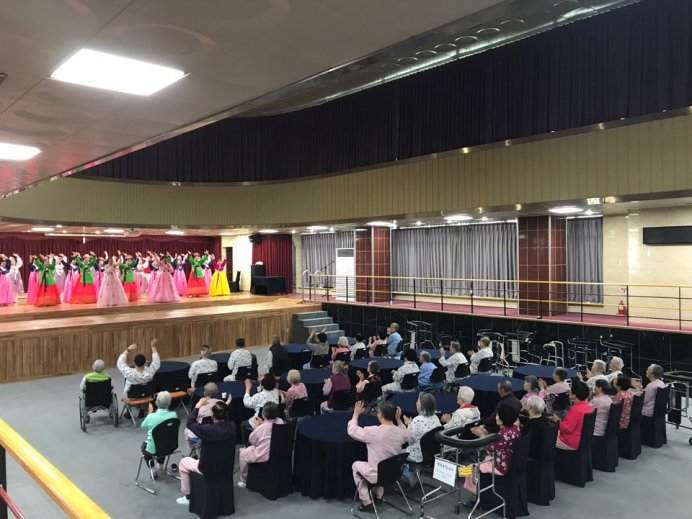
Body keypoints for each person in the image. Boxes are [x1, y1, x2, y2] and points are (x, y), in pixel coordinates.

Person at [349, 401, 411, 512]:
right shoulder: (401, 433)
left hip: (376, 475)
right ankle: (378, 496)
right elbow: (408, 435)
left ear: (380, 415)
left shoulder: (373, 432)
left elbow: (352, 431)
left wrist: (356, 414)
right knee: (384, 463)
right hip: (394, 473)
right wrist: (398, 420)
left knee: (356, 466)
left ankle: (366, 500)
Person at [176, 395, 235, 506]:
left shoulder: (206, 430)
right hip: (226, 464)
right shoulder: (232, 426)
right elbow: (224, 417)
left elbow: (190, 423)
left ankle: (188, 496)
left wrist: (197, 406)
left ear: (212, 414)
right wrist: (225, 405)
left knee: (183, 463)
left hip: (207, 467)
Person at [462, 406, 521, 509]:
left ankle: (474, 496)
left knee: (468, 469)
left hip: (499, 465)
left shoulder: (503, 434)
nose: (496, 417)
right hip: (506, 461)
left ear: (501, 420)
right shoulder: (515, 428)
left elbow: (490, 449)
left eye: (497, 415)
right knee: (470, 467)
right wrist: (485, 433)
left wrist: (482, 436)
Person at [400, 393, 441, 492]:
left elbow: (409, 440)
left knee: (393, 456)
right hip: (431, 453)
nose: (416, 403)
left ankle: (410, 477)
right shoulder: (435, 417)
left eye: (418, 401)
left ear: (422, 405)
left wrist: (408, 425)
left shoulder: (417, 420)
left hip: (418, 454)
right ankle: (415, 475)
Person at [237, 402, 284, 488]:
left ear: (263, 415)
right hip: (278, 451)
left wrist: (257, 426)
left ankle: (244, 480)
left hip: (263, 455)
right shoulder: (280, 421)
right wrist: (261, 424)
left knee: (243, 454)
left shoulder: (261, 428)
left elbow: (252, 441)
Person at [117, 339, 160, 417]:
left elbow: (120, 363)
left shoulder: (129, 373)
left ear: (134, 362)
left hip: (131, 398)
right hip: (146, 396)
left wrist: (128, 349)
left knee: (127, 386)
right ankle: (143, 408)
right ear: (145, 363)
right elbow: (156, 363)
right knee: (144, 390)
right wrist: (153, 347)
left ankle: (129, 411)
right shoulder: (150, 372)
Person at [140, 392, 177, 476]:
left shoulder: (151, 417)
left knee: (144, 447)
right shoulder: (174, 415)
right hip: (170, 446)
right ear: (169, 403)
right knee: (163, 440)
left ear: (156, 403)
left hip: (154, 448)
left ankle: (152, 468)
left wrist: (150, 412)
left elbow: (143, 426)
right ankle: (160, 464)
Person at [549, 380, 593, 450]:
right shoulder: (587, 406)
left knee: (547, 437)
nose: (569, 392)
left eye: (571, 390)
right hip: (579, 439)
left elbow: (567, 429)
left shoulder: (576, 409)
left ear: (575, 395)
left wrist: (557, 421)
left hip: (569, 441)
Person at [240, 375, 280, 444]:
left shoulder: (259, 396)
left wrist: (247, 389)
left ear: (262, 385)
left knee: (243, 424)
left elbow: (247, 403)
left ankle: (246, 445)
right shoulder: (276, 392)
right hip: (274, 419)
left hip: (260, 421)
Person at [184, 382, 222, 450]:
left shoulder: (201, 406)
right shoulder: (221, 403)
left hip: (202, 432)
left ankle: (193, 451)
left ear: (204, 393)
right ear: (217, 392)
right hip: (218, 430)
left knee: (187, 430)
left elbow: (194, 420)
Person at [521, 396, 550, 460]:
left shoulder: (529, 425)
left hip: (531, 454)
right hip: (542, 452)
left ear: (529, 407)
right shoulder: (544, 420)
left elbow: (522, 441)